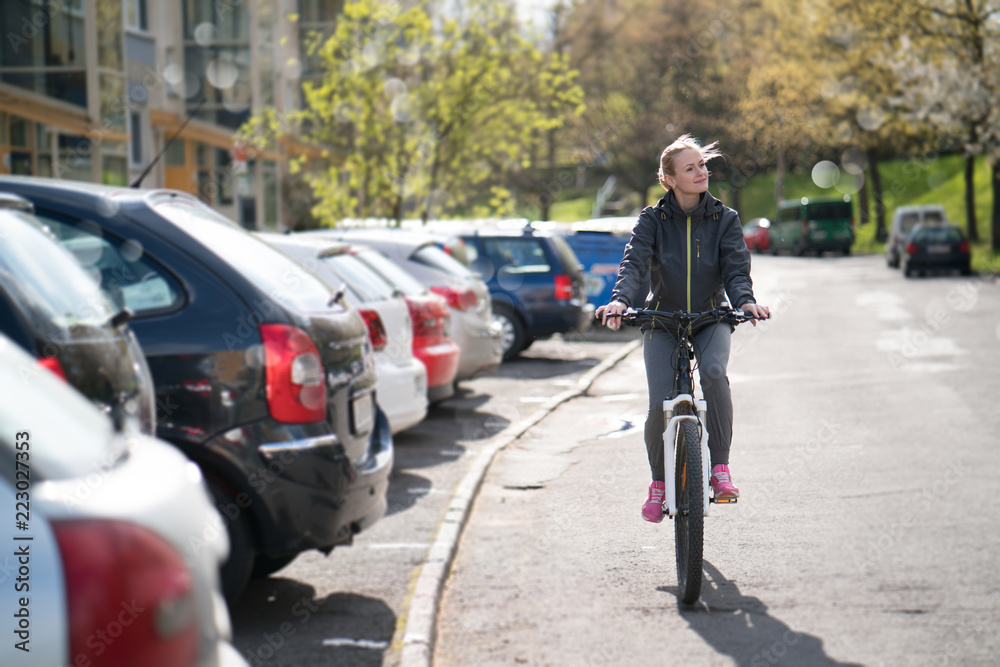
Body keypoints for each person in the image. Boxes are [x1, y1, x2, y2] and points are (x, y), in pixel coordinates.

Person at [595, 134, 770, 523]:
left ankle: (720, 468)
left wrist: (745, 301)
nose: (701, 172)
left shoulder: (724, 218)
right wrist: (622, 300)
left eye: (703, 165)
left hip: (710, 316)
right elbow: (634, 264)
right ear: (670, 179)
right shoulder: (652, 220)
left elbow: (736, 269)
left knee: (712, 373)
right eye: (690, 168)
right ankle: (659, 484)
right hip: (662, 319)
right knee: (661, 401)